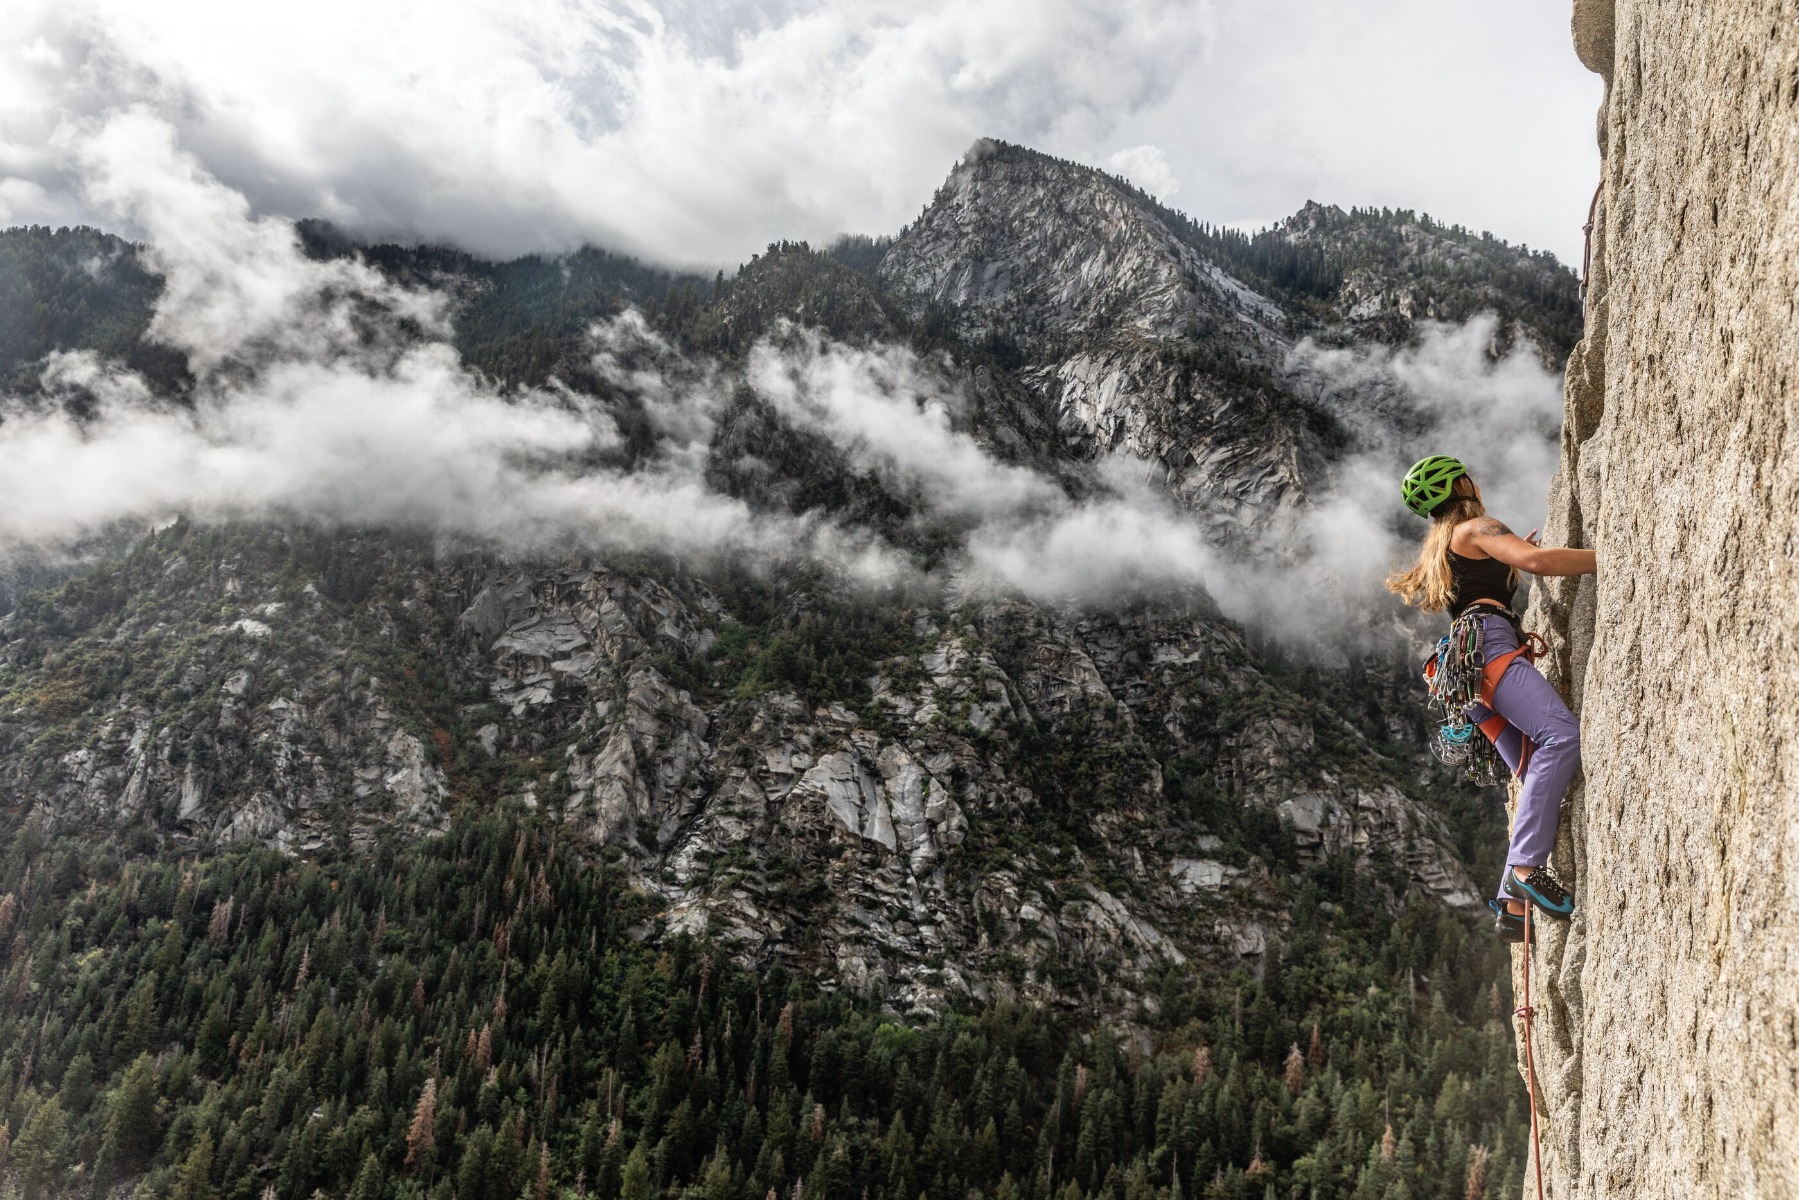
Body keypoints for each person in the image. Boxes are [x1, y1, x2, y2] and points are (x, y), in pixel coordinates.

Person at [1385, 455, 1597, 940]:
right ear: (1463, 485)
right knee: (1562, 737)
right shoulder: (1477, 527)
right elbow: (1536, 563)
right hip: (1491, 649)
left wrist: (1514, 551)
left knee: (1534, 766)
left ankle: (1512, 907)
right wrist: (1611, 555)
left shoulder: (1444, 547)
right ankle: (1524, 869)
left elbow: (1505, 565)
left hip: (1466, 676)